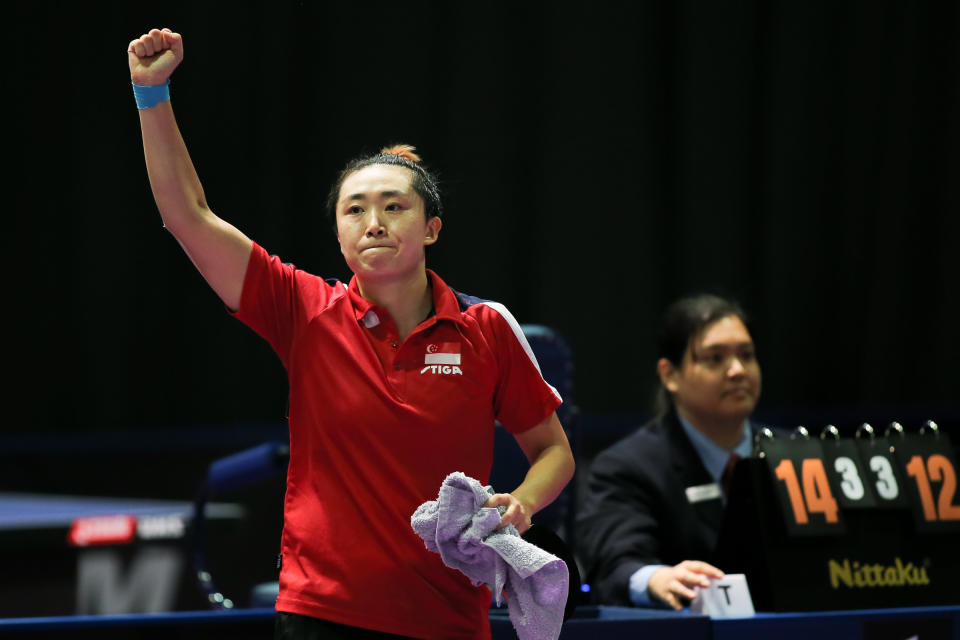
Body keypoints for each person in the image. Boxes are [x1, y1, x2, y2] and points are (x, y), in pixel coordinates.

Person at [127, 28, 574, 640]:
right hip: (322, 616)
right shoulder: (300, 309)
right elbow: (187, 216)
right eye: (354, 209)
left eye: (394, 206)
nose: (373, 222)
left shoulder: (487, 328)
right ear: (338, 236)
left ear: (432, 227)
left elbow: (554, 452)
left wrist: (521, 503)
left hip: (449, 620)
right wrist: (152, 94)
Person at [576, 294, 762, 610]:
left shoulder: (796, 455)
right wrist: (654, 579)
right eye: (715, 358)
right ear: (669, 375)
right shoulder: (628, 467)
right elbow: (615, 565)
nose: (737, 371)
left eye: (746, 355)